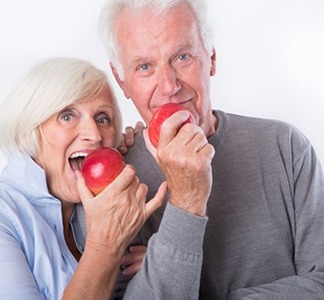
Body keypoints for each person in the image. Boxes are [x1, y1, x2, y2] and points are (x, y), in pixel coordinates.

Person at [90, 0, 324, 299]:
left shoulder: (285, 146)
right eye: (145, 67)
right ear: (122, 80)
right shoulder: (116, 184)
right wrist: (187, 200)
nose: (168, 86)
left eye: (182, 56)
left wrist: (181, 275)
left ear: (211, 57)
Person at [0, 56, 197, 299]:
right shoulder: (5, 217)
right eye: (67, 116)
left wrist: (156, 265)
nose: (94, 134)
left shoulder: (99, 210)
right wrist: (106, 247)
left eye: (103, 119)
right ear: (28, 126)